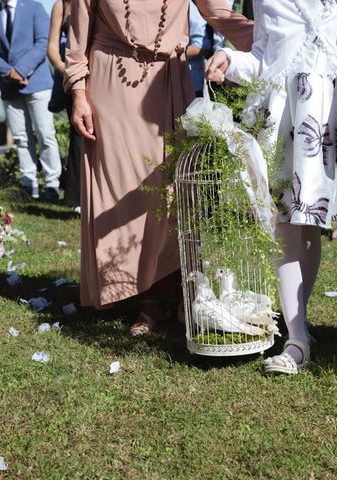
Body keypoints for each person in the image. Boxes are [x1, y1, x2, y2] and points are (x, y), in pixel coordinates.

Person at [206, 0, 337, 374]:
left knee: (309, 227)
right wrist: (230, 60)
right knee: (283, 223)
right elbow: (263, 59)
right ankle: (297, 338)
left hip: (328, 115)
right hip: (282, 117)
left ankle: (298, 324)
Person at [64, 0, 253, 335]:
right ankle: (146, 296)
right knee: (127, 189)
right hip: (111, 85)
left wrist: (277, 42)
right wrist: (78, 92)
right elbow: (78, 34)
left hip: (167, 83)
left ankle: (178, 285)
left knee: (170, 189)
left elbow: (219, 13)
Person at [0, 0, 62, 200]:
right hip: (10, 87)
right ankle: (28, 185)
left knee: (45, 135)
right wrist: (9, 72)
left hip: (38, 84)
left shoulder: (34, 8)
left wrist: (21, 69)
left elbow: (43, 41)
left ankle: (52, 185)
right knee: (21, 138)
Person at [47, 0, 81, 210]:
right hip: (73, 77)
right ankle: (77, 198)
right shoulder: (61, 4)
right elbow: (51, 47)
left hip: (101, 73)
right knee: (77, 136)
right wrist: (64, 69)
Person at [187, 2, 212, 98]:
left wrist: (168, 55)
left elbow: (201, 47)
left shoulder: (188, 6)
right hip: (164, 83)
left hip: (191, 84)